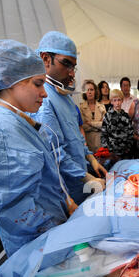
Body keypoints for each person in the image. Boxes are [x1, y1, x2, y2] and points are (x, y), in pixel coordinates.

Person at [0, 39, 72, 260]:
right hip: (36, 243)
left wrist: (65, 203)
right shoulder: (3, 130)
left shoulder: (16, 120)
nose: (44, 93)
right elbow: (14, 209)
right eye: (37, 84)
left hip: (48, 232)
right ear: (8, 80)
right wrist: (57, 233)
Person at [34, 31, 106, 205]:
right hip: (62, 188)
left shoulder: (65, 97)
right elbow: (54, 152)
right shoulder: (43, 100)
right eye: (66, 64)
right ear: (45, 58)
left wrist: (90, 158)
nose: (72, 73)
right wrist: (86, 177)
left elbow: (76, 137)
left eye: (73, 67)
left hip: (78, 180)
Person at [100, 89, 134, 163]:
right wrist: (107, 150)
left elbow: (130, 133)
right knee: (112, 172)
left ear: (122, 101)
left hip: (125, 152)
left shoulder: (126, 116)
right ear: (111, 101)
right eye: (115, 100)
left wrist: (128, 147)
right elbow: (103, 134)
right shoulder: (107, 116)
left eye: (119, 100)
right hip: (111, 153)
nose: (117, 103)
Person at [80, 79, 107, 153]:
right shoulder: (81, 107)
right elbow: (83, 126)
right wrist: (97, 125)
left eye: (91, 89)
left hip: (100, 142)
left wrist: (90, 123)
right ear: (84, 92)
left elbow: (104, 125)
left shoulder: (101, 106)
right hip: (87, 142)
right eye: (87, 90)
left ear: (95, 91)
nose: (89, 92)